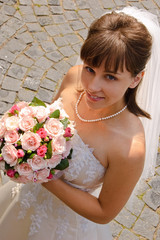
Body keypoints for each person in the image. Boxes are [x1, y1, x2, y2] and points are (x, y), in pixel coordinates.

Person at [0, 6, 160, 240]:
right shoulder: (74, 76)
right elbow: (44, 124)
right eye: (90, 68)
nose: (92, 86)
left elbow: (104, 212)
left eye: (110, 76)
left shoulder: (130, 147)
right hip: (22, 199)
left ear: (136, 78)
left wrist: (41, 174)